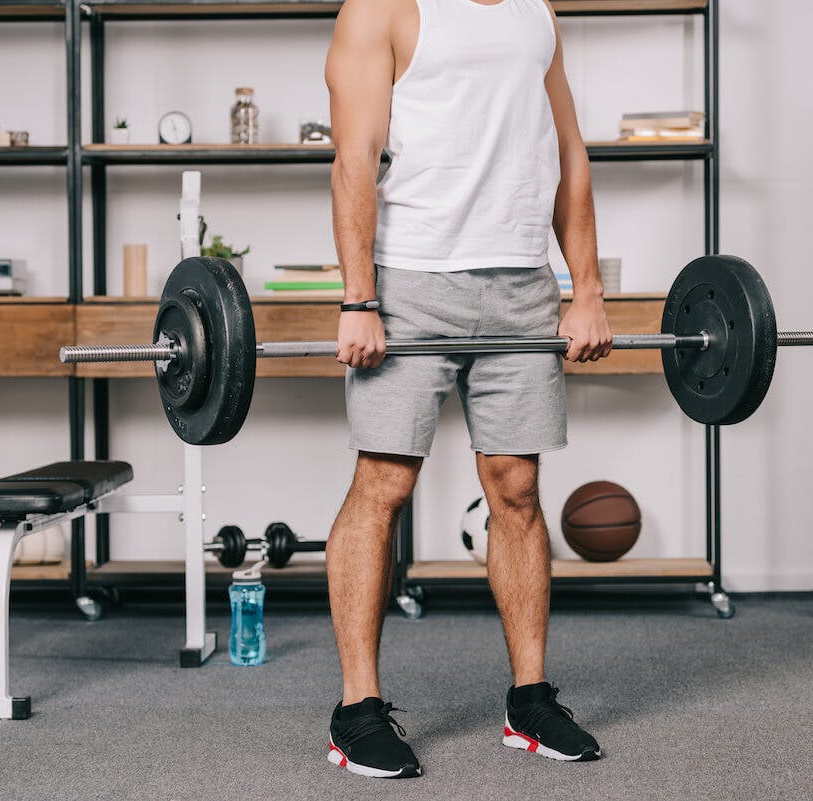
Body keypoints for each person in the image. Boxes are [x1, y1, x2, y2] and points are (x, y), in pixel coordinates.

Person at [323, 0, 613, 778]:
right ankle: (356, 710)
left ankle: (530, 700)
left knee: (515, 485)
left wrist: (584, 289)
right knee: (384, 480)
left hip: (522, 282)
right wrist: (359, 297)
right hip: (413, 278)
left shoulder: (534, 11)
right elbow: (355, 152)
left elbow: (568, 150)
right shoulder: (381, 8)